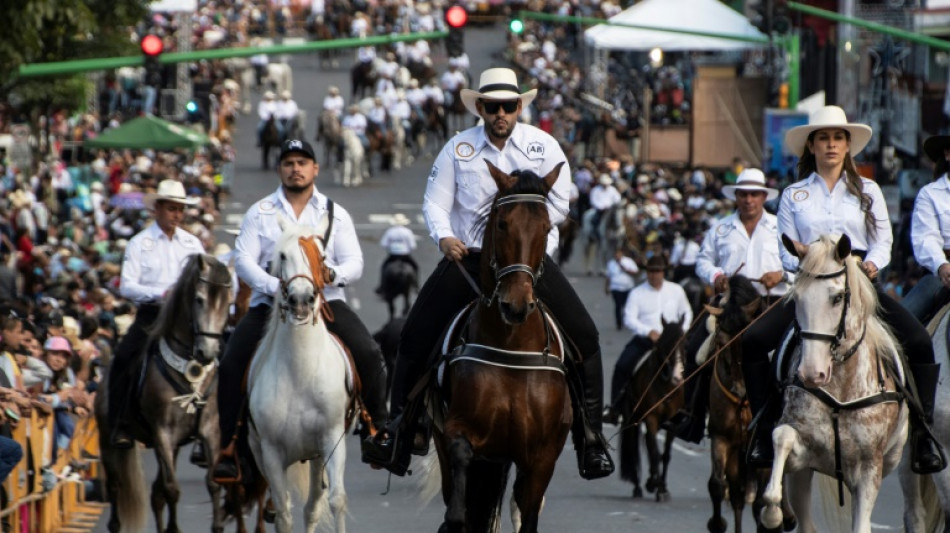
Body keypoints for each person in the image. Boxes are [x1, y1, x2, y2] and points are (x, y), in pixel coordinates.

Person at [362, 68, 614, 480]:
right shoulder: (457, 148)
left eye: (509, 106)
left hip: (528, 261)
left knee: (586, 336)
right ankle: (400, 434)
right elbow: (435, 203)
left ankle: (592, 439)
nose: (500, 113)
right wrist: (444, 239)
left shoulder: (544, 146)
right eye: (492, 106)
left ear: (519, 107)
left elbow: (562, 206)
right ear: (479, 107)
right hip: (469, 262)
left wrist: (535, 255)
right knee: (413, 336)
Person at [740, 105, 946, 474]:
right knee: (753, 342)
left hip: (858, 283)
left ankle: (923, 435)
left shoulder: (868, 189)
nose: (831, 145)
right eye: (823, 138)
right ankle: (763, 429)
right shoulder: (794, 195)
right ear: (812, 146)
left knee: (918, 340)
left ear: (848, 145)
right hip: (813, 286)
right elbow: (784, 250)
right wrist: (808, 264)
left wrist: (870, 265)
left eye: (837, 138)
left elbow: (883, 240)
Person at [211, 139, 389, 482]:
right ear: (281, 169)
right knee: (232, 362)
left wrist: (331, 274)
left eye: (302, 162)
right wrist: (272, 286)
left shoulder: (334, 213)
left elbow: (355, 261)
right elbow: (244, 260)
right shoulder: (260, 212)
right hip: (271, 303)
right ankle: (231, 447)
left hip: (326, 302)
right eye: (289, 162)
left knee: (369, 352)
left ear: (315, 169)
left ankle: (376, 430)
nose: (296, 168)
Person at [672, 168, 785, 443]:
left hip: (772, 304)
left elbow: (801, 263)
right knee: (696, 351)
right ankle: (693, 416)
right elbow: (702, 261)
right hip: (731, 306)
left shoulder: (781, 228)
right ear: (736, 197)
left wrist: (783, 275)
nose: (749, 200)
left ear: (762, 197)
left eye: (754, 194)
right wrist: (717, 276)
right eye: (744, 194)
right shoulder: (720, 228)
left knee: (791, 358)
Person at [109, 179, 203, 449]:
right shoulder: (140, 243)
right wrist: (161, 294)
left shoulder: (192, 244)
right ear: (157, 209)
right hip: (153, 314)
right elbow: (127, 286)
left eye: (180, 209)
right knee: (125, 357)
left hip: (188, 317)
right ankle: (121, 423)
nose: (176, 214)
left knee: (217, 355)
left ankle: (214, 424)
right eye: (171, 208)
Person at [605, 255, 693, 422]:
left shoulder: (676, 290)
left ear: (664, 272)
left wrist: (682, 330)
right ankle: (615, 408)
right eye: (651, 272)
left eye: (658, 271)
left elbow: (687, 312)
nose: (654, 275)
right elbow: (629, 318)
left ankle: (689, 409)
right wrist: (648, 331)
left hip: (673, 342)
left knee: (694, 364)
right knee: (622, 366)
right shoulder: (637, 293)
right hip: (646, 341)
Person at [902, 134, 950, 324]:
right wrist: (942, 265)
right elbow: (926, 238)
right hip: (942, 274)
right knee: (898, 327)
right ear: (947, 153)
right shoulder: (930, 194)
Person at [376, 213, 417, 295]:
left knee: (383, 267)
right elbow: (413, 246)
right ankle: (416, 285)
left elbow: (384, 244)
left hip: (393, 255)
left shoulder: (390, 232)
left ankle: (382, 286)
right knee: (416, 267)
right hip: (405, 255)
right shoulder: (407, 232)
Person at [605, 248, 638, 331]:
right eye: (616, 254)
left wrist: (625, 269)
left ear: (622, 254)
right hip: (615, 288)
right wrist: (606, 287)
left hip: (627, 288)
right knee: (618, 306)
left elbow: (635, 272)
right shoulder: (611, 264)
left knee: (626, 306)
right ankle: (619, 323)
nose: (617, 256)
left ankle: (626, 321)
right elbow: (608, 277)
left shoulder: (629, 261)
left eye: (619, 254)